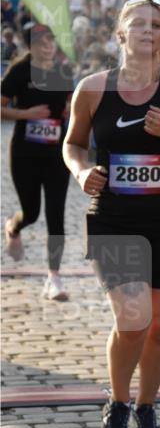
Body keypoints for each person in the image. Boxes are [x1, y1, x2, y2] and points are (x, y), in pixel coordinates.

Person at [63, 0, 160, 428]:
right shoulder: (92, 88)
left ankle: (146, 405)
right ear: (120, 34)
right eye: (138, 23)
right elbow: (73, 145)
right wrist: (82, 171)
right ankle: (119, 400)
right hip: (114, 220)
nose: (148, 30)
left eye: (156, 24)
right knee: (132, 318)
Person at [1, 24, 73, 299]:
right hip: (24, 154)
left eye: (51, 43)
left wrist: (70, 109)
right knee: (31, 213)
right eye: (42, 43)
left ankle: (54, 278)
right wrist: (26, 114)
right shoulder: (20, 71)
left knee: (56, 216)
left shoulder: (62, 71)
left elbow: (71, 103)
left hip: (56, 154)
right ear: (31, 47)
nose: (48, 48)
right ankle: (13, 226)